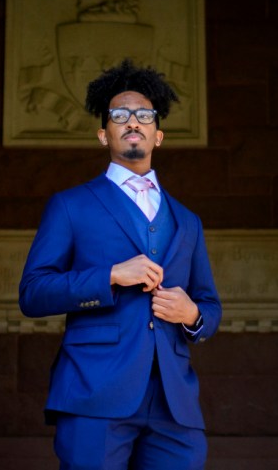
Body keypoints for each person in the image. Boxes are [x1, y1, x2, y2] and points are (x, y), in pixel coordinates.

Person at [18, 58, 222, 470]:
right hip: (95, 390)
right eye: (120, 114)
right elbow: (33, 292)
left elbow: (210, 305)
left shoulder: (188, 221)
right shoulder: (70, 206)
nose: (133, 120)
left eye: (144, 114)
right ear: (103, 134)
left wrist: (193, 314)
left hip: (174, 403)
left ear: (158, 135)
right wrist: (109, 276)